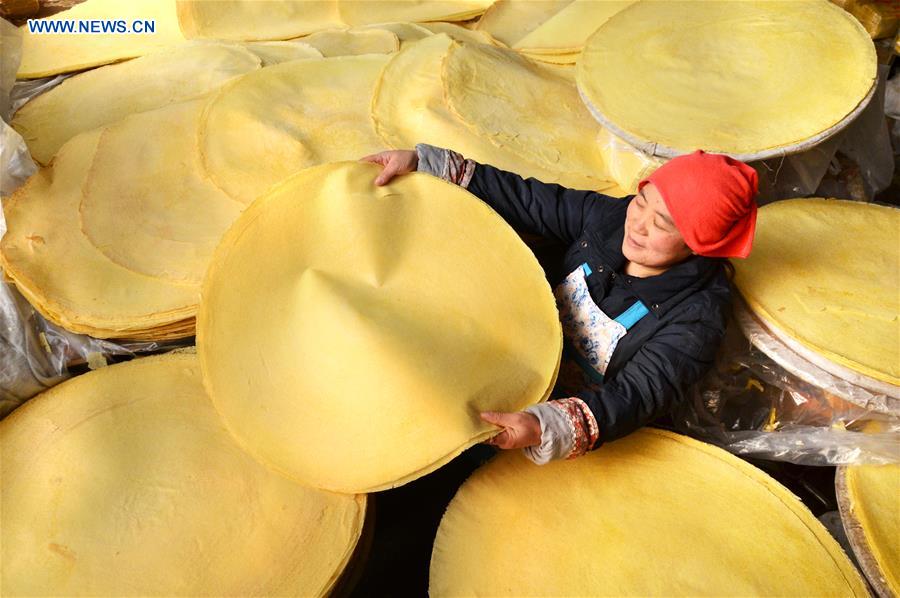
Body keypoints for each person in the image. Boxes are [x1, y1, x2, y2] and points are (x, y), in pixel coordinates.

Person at [362, 144, 758, 464]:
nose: (638, 225)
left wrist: (543, 426)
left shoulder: (696, 318)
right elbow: (529, 201)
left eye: (664, 223)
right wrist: (425, 164)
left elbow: (636, 395)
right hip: (517, 350)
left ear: (700, 244)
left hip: (568, 400)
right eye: (642, 203)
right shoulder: (610, 218)